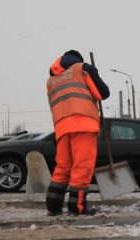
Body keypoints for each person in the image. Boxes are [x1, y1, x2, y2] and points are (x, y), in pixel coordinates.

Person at [45, 50, 110, 216]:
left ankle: (53, 206)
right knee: (82, 167)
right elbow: (103, 93)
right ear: (77, 60)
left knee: (63, 167)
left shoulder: (52, 80)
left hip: (61, 127)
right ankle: (77, 207)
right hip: (83, 124)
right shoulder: (83, 68)